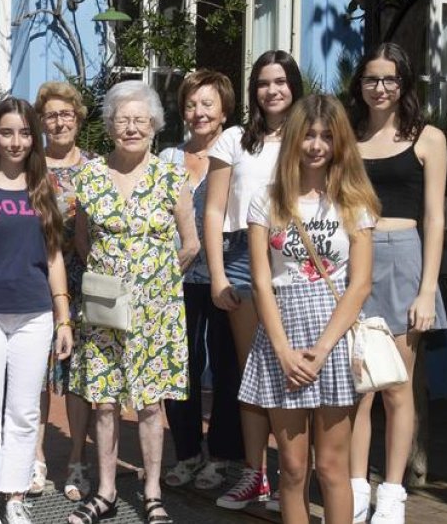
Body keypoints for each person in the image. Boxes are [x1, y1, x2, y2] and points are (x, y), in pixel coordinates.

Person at [240, 94, 379, 524]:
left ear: (340, 143)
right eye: (309, 135)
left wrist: (320, 351)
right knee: (294, 468)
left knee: (333, 468)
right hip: (282, 335)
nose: (317, 145)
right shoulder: (268, 200)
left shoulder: (354, 200)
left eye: (327, 136)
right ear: (294, 139)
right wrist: (282, 351)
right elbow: (261, 280)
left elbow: (360, 284)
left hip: (332, 340)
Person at [66, 81, 199, 524]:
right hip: (104, 308)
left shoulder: (170, 175)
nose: (132, 127)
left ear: (155, 126)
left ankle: (152, 492)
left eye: (140, 120)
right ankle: (104, 492)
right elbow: (82, 241)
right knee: (104, 401)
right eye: (123, 120)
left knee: (148, 403)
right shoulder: (90, 176)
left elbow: (192, 243)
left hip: (156, 310)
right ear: (109, 126)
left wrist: (156, 282)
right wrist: (114, 282)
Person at [0, 98, 75, 524]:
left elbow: (55, 257)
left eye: (24, 132)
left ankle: (14, 493)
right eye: (7, 132)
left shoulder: (45, 189)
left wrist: (63, 317)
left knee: (23, 412)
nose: (16, 141)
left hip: (34, 315)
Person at [346, 43, 447, 524]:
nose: (380, 87)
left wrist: (427, 289)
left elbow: (434, 216)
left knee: (395, 386)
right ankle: (354, 490)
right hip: (354, 262)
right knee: (355, 387)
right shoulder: (347, 136)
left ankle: (392, 494)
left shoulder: (428, 138)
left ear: (404, 83)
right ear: (360, 84)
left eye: (389, 79)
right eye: (371, 79)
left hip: (405, 262)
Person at [204, 50, 303, 510]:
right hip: (242, 255)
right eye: (264, 82)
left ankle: (293, 481)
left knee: (296, 370)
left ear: (293, 85)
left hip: (295, 255)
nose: (272, 90)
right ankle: (255, 475)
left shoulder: (310, 135)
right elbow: (213, 208)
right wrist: (218, 275)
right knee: (253, 374)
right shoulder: (233, 139)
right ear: (254, 90)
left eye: (280, 81)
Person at [158, 70, 244, 490]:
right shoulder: (169, 159)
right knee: (181, 367)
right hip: (176, 278)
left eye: (207, 104)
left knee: (227, 365)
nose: (198, 112)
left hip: (225, 275)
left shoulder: (240, 153)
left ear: (224, 109)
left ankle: (223, 456)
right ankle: (188, 452)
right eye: (191, 104)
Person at [30, 81, 95, 501]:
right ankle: (33, 459)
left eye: (66, 113)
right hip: (38, 277)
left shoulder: (96, 168)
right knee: (34, 373)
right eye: (51, 114)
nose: (59, 121)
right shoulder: (30, 168)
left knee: (80, 376)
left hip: (86, 279)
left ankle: (76, 461)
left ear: (77, 118)